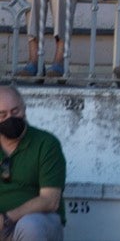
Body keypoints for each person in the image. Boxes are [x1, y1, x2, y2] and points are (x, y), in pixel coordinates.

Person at [0, 86, 65, 241]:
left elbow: (50, 200)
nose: (10, 118)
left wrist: (8, 218)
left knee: (30, 226)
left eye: (15, 111)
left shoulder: (46, 144)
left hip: (39, 222)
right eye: (2, 115)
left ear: (24, 109)